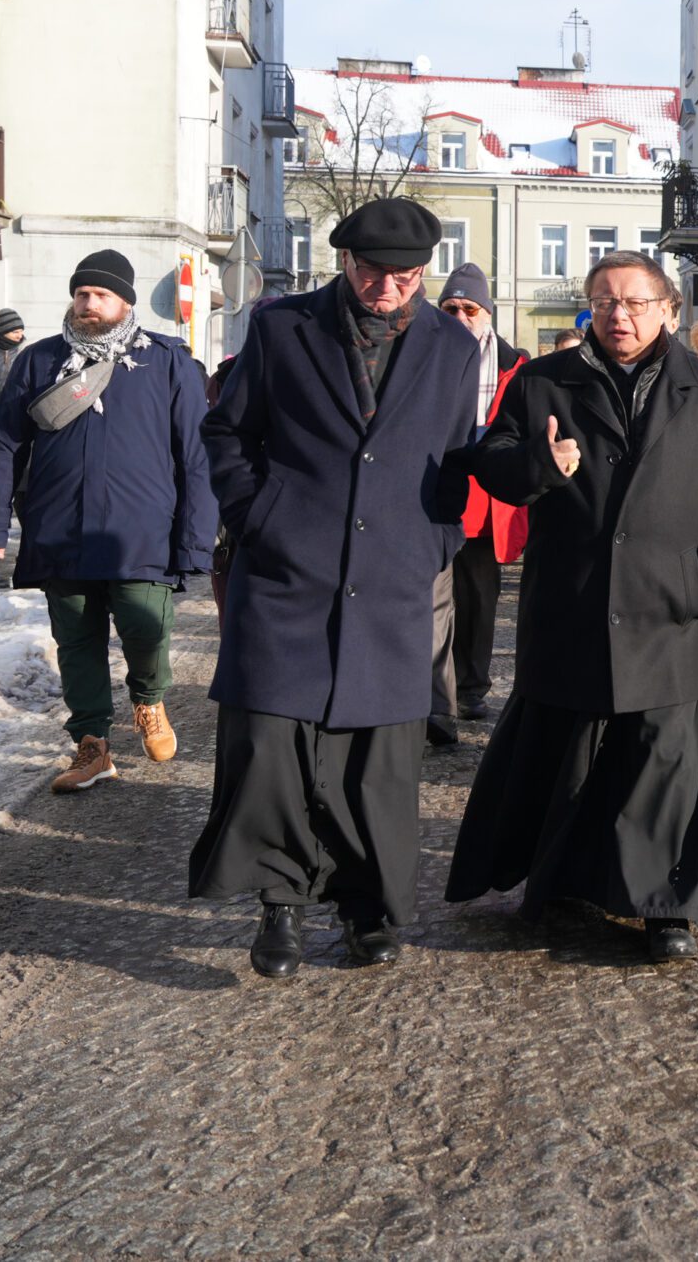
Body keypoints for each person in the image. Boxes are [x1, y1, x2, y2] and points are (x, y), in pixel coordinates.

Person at [191, 200, 483, 978]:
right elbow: (228, 430)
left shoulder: (454, 346)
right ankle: (280, 905)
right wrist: (257, 514)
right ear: (345, 262)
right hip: (285, 572)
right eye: (372, 273)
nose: (386, 289)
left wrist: (436, 541)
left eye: (405, 277)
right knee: (272, 747)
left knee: (376, 759)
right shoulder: (282, 327)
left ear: (424, 271)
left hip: (392, 577)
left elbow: (455, 455)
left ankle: (367, 910)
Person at [446, 250, 698, 963]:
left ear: (667, 310)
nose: (619, 315)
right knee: (564, 752)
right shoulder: (544, 379)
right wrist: (539, 466)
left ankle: (663, 905)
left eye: (635, 302)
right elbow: (491, 461)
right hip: (572, 600)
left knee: (661, 755)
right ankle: (560, 876)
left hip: (669, 604)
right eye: (605, 302)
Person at [0, 251, 216, 793]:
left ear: (125, 302)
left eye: (101, 295)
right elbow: (5, 446)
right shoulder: (38, 361)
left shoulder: (166, 361)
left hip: (141, 530)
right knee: (76, 640)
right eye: (81, 294)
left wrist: (197, 538)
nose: (88, 303)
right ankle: (92, 744)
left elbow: (196, 456)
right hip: (61, 527)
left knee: (145, 627)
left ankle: (149, 699)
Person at [429, 264, 528, 744]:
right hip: (430, 498)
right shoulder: (421, 353)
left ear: (487, 312)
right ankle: (436, 700)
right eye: (451, 307)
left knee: (478, 603)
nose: (461, 316)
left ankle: (471, 688)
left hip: (486, 504)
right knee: (430, 605)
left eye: (470, 308)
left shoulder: (515, 365)